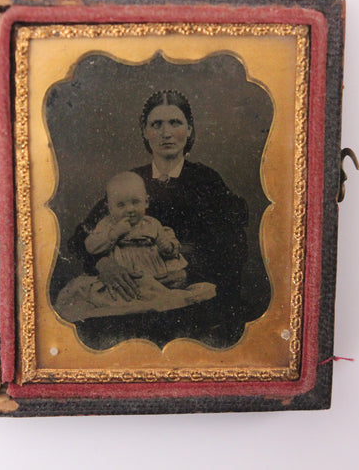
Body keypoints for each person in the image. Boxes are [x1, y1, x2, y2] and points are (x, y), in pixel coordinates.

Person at [67, 90, 249, 348]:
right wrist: (103, 263)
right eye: (157, 124)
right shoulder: (130, 183)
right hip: (131, 298)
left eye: (175, 123)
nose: (166, 133)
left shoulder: (207, 181)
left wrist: (188, 273)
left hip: (188, 299)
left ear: (189, 129)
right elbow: (81, 237)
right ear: (145, 132)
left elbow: (234, 248)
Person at [54, 171, 216, 322]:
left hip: (156, 274)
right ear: (109, 208)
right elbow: (89, 245)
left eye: (135, 202)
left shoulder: (152, 223)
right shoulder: (108, 224)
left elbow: (169, 246)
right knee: (125, 296)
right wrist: (114, 234)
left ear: (146, 202)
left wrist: (167, 247)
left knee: (159, 295)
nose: (130, 210)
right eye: (121, 205)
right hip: (128, 274)